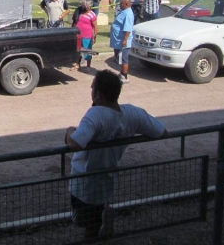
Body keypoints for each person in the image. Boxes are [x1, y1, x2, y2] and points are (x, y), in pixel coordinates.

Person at [64, 70, 168, 239]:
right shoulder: (133, 113)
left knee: (84, 222)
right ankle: (102, 224)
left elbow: (75, 143)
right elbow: (162, 132)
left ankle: (96, 231)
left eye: (92, 89)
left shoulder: (95, 114)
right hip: (108, 180)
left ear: (98, 94)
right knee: (95, 217)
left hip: (83, 183)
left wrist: (69, 131)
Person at [110, 0, 134, 84]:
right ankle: (121, 73)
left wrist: (125, 40)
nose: (120, 5)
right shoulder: (124, 11)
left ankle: (125, 76)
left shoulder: (128, 14)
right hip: (118, 40)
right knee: (119, 58)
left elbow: (128, 29)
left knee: (124, 58)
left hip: (123, 41)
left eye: (121, 4)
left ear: (126, 4)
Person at [71, 0, 97, 71]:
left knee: (87, 51)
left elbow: (95, 27)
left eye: (84, 5)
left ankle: (88, 66)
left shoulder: (92, 15)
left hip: (87, 36)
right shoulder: (80, 12)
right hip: (78, 35)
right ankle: (77, 64)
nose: (83, 6)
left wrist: (94, 37)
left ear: (89, 6)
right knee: (78, 50)